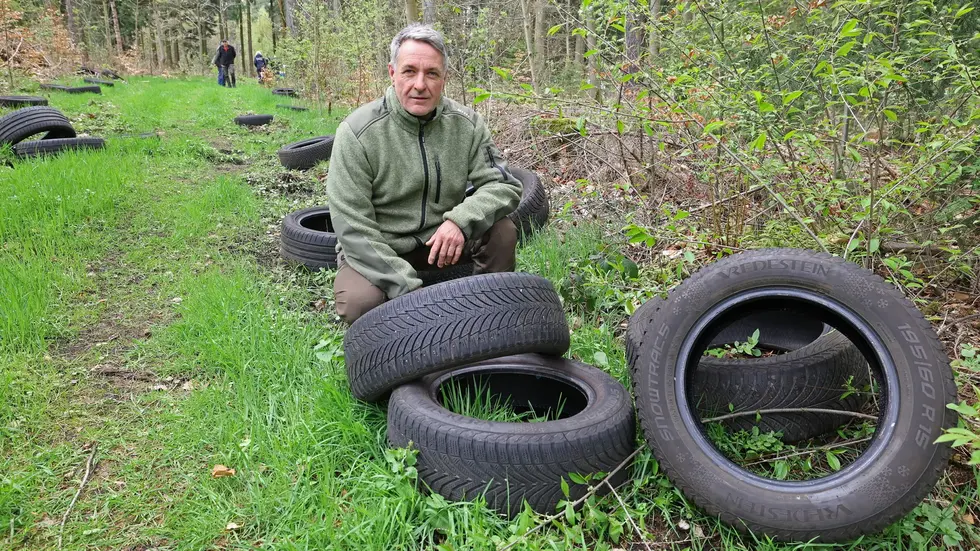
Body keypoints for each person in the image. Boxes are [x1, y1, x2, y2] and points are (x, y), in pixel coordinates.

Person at [326, 23, 523, 324]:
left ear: (444, 79)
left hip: (441, 243)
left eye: (431, 73)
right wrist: (411, 293)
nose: (420, 84)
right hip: (381, 247)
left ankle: (487, 316)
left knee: (502, 231)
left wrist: (459, 222)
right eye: (409, 71)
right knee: (359, 302)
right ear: (392, 74)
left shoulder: (467, 125)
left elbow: (504, 185)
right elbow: (353, 227)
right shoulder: (357, 132)